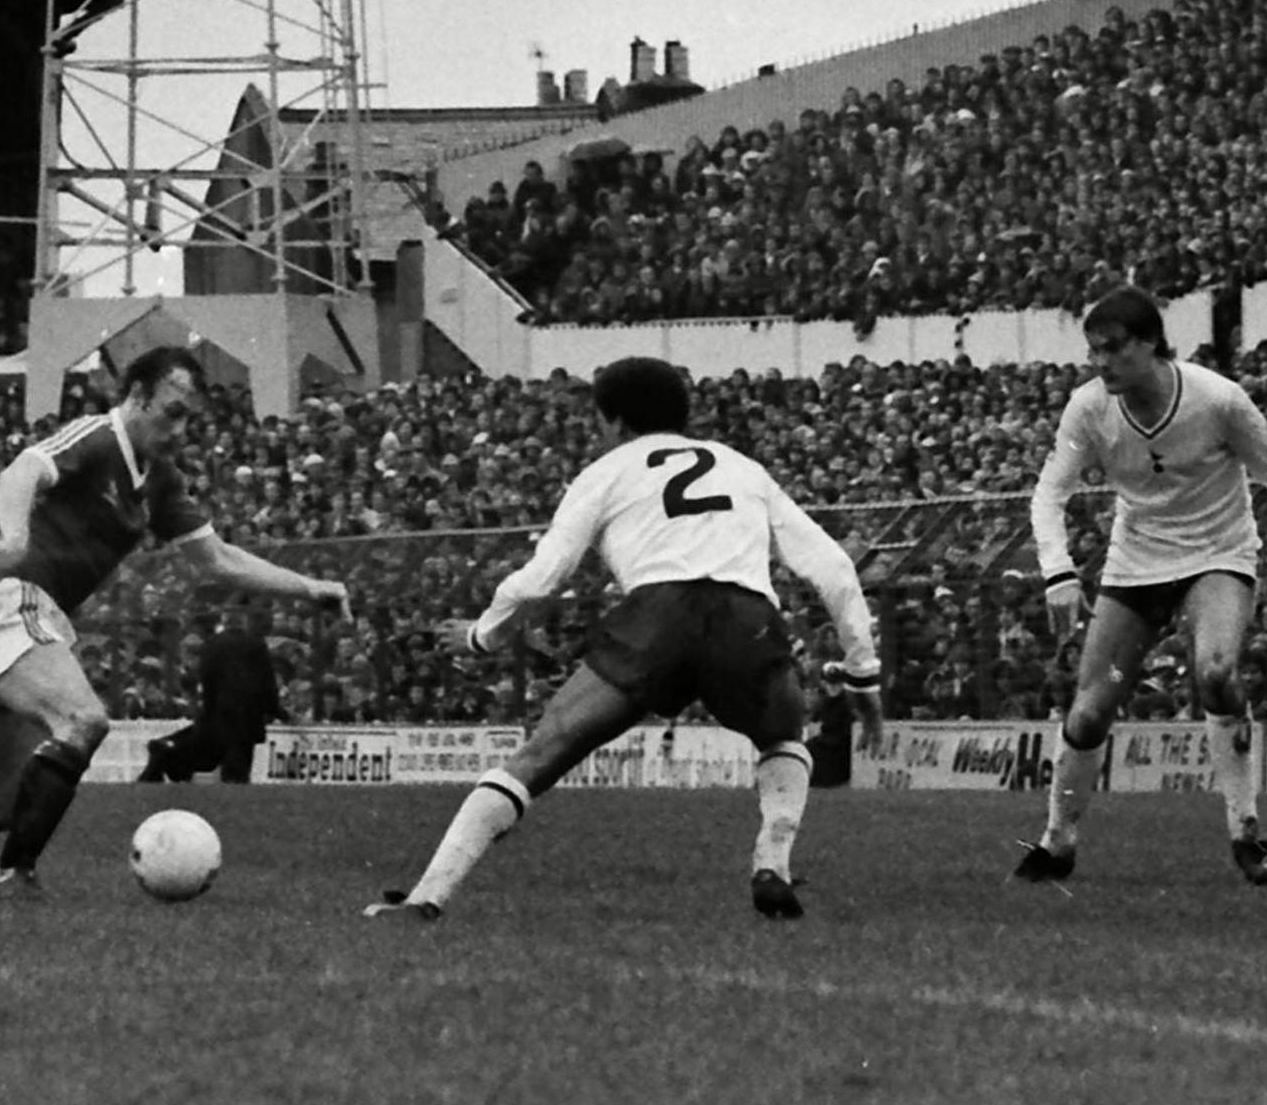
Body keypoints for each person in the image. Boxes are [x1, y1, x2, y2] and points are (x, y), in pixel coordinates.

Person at [0, 345, 353, 902]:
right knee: (83, 720)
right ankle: (13, 875)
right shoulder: (100, 438)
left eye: (191, 417)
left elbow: (217, 559)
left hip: (15, 616)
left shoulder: (160, 481)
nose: (181, 428)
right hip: (9, 600)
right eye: (173, 412)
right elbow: (21, 471)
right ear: (138, 397)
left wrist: (310, 587)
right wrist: (16, 538)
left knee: (0, 804)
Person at [365, 355, 884, 921]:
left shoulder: (607, 471)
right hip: (745, 617)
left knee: (544, 752)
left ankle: (428, 898)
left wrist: (480, 637)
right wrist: (861, 670)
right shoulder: (743, 468)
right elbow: (833, 566)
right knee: (782, 736)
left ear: (613, 422)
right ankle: (772, 863)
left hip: (656, 617)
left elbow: (542, 577)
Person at [1013, 286, 1267, 886]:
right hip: (1137, 569)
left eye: (1113, 348)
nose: (1101, 362)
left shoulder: (1217, 399)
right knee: (1092, 711)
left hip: (1216, 557)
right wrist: (1059, 572)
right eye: (1093, 351)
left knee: (1216, 670)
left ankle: (1246, 832)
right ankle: (1057, 842)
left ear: (1149, 342)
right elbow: (1049, 493)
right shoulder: (1089, 409)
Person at [138, 621, 282, 784]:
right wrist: (275, 709)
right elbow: (267, 682)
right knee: (232, 764)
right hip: (242, 718)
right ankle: (167, 752)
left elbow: (207, 690)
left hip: (218, 717)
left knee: (206, 751)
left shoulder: (212, 650)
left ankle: (166, 752)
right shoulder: (254, 646)